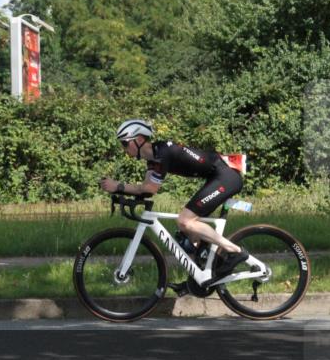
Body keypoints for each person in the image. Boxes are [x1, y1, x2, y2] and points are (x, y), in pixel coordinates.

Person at [99, 119, 249, 280]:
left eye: (125, 143)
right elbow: (146, 190)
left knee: (185, 221)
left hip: (226, 176)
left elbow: (150, 188)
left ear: (140, 139)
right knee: (187, 238)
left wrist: (118, 187)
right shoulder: (153, 158)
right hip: (217, 177)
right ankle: (201, 278)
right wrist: (123, 193)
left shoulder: (163, 153)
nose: (124, 148)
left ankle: (235, 252)